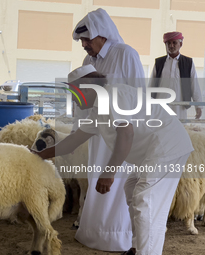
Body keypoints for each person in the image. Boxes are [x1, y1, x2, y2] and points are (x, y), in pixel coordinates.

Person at [33, 64, 193, 255]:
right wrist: (37, 154)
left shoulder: (115, 95)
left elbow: (126, 134)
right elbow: (73, 141)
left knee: (145, 200)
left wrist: (108, 173)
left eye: (74, 92)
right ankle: (136, 247)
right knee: (132, 188)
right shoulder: (98, 110)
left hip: (167, 146)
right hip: (153, 151)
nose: (73, 98)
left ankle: (147, 252)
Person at [71, 8, 145, 251]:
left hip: (123, 134)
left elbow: (138, 95)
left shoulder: (126, 54)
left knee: (118, 182)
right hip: (98, 132)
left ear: (102, 35)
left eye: (87, 39)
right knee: (96, 179)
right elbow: (83, 100)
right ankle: (93, 232)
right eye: (81, 40)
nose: (84, 44)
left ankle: (119, 237)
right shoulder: (87, 61)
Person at [150, 31, 202, 120]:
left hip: (180, 108)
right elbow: (151, 85)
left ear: (180, 44)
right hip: (161, 107)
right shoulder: (159, 63)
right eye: (168, 43)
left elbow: (194, 85)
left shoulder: (188, 63)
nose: (171, 46)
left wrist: (198, 106)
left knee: (179, 131)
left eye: (174, 43)